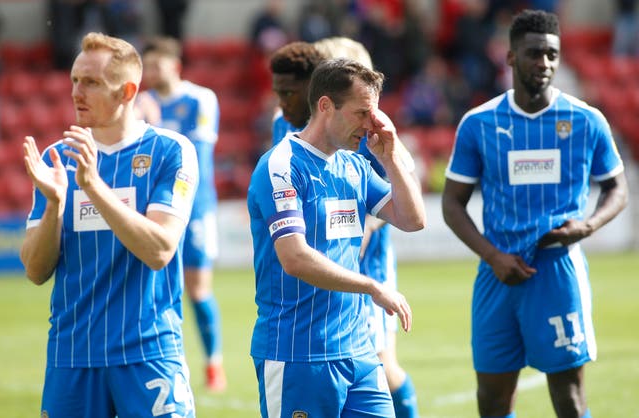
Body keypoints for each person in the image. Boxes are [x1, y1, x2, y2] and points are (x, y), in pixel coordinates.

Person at [441, 9, 629, 418]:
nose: (543, 63)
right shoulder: (479, 123)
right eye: (533, 54)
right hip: (498, 273)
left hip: (557, 272)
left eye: (551, 55)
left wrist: (588, 225)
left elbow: (617, 187)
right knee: (491, 401)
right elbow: (452, 202)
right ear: (510, 58)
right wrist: (492, 256)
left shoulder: (586, 120)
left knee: (569, 400)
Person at [20, 32, 198, 418]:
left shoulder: (171, 151)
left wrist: (94, 187)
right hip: (72, 354)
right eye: (74, 80)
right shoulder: (55, 159)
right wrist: (54, 205)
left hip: (148, 352)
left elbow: (160, 250)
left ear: (127, 91)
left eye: (92, 82)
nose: (76, 92)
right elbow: (35, 270)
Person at [248, 58, 425, 417]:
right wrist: (371, 287)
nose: (369, 125)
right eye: (361, 113)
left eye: (373, 113)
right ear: (326, 106)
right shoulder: (282, 165)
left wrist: (390, 159)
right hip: (297, 353)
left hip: (359, 350)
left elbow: (412, 219)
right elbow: (294, 258)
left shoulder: (356, 166)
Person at [314, 36, 422, 418]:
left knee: (379, 360)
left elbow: (404, 177)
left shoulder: (368, 125)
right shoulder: (313, 126)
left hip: (367, 258)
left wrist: (367, 225)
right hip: (335, 256)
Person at [140, 36, 226, 392]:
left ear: (174, 65)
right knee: (150, 285)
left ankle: (213, 362)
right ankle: (157, 358)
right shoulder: (140, 102)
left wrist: (154, 124)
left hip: (196, 206)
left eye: (157, 64)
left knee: (197, 288)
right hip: (153, 207)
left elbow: (196, 153)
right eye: (147, 65)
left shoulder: (200, 98)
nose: (151, 72)